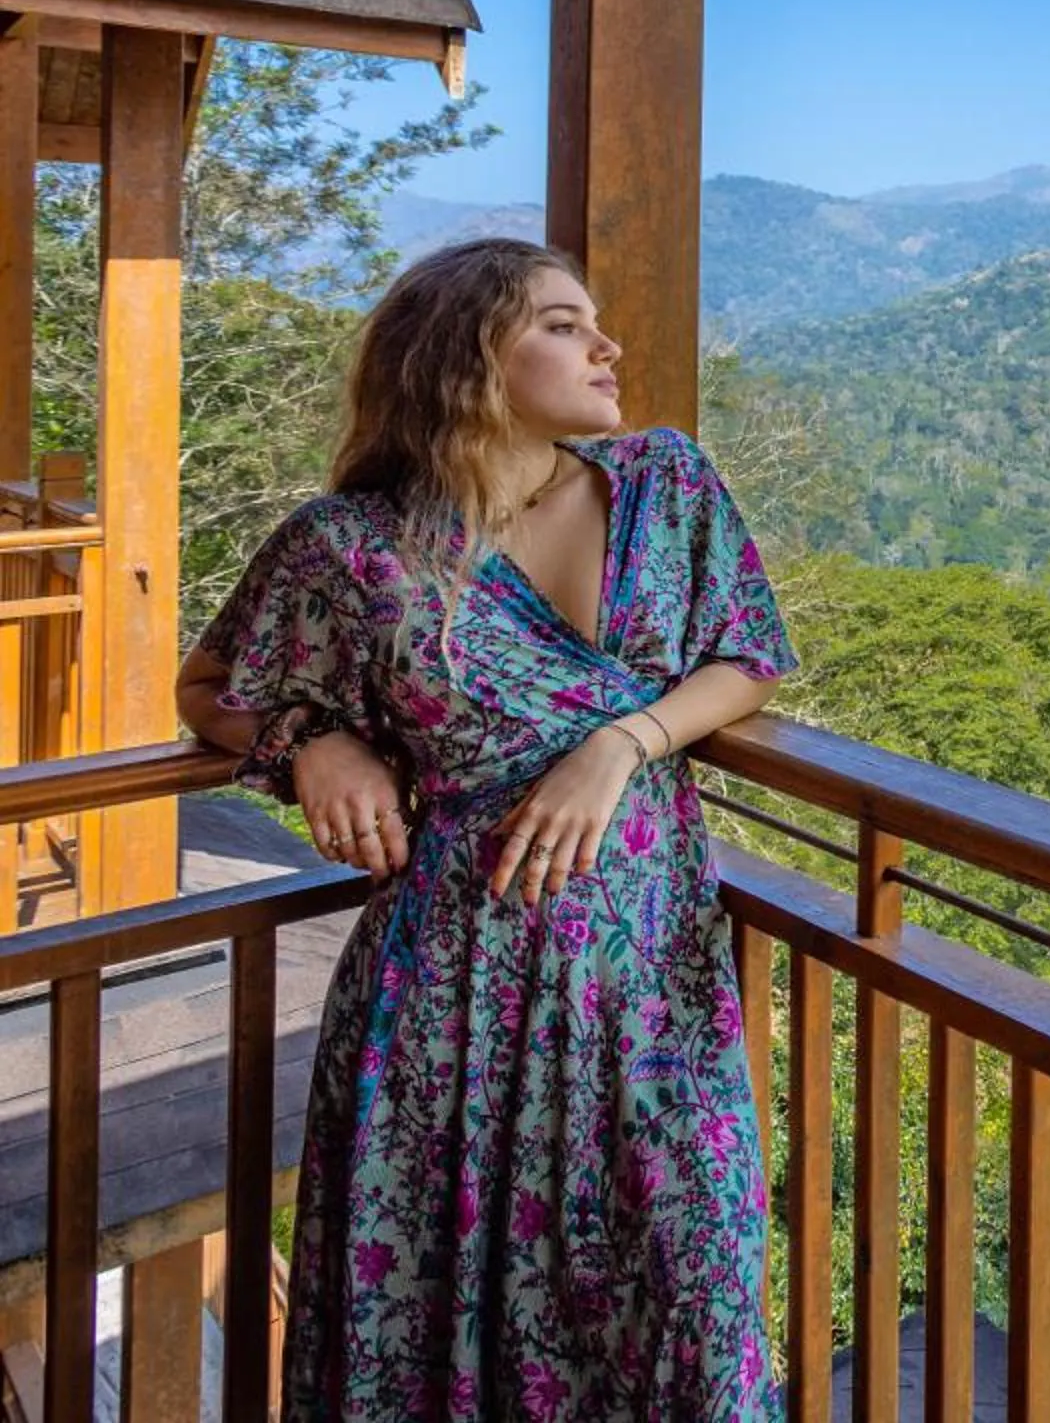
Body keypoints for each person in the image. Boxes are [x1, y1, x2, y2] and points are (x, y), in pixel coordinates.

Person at [177, 238, 795, 1421]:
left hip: (649, 993)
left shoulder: (666, 483)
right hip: (448, 993)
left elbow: (747, 654)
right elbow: (211, 684)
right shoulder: (352, 545)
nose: (605, 344)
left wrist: (622, 742)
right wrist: (315, 741)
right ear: (468, 356)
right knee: (440, 1318)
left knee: (689, 1293)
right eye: (565, 323)